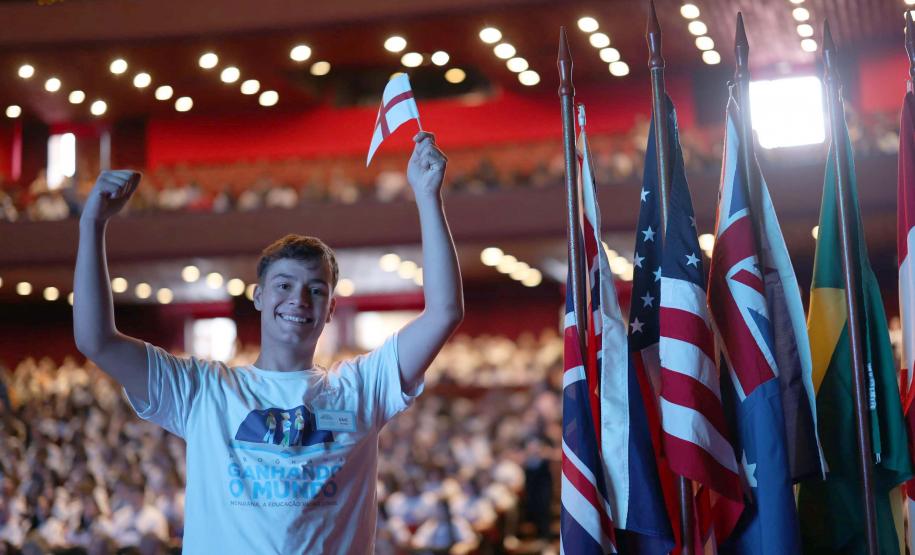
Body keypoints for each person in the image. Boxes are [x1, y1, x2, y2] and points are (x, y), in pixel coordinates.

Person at [73, 132, 464, 554]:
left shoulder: (361, 389)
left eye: (316, 289)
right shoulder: (205, 390)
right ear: (259, 297)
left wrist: (428, 198)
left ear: (331, 308)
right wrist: (92, 225)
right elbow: (96, 340)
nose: (298, 299)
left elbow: (444, 312)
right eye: (284, 285)